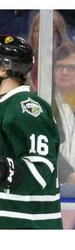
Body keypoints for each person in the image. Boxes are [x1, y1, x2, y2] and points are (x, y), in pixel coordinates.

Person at [0, 35, 63, 229]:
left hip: (29, 225)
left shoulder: (26, 108)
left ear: (3, 68)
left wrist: (3, 168)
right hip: (3, 220)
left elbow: (40, 169)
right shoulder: (1, 105)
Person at [26, 10, 72, 90]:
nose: (43, 36)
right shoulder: (26, 64)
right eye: (38, 31)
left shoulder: (70, 62)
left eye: (51, 31)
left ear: (60, 36)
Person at [52, 44, 75, 186]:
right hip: (58, 188)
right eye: (59, 67)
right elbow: (46, 146)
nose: (64, 72)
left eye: (71, 68)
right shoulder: (43, 103)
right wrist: (69, 174)